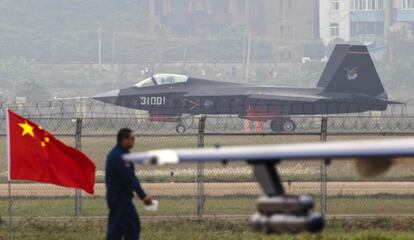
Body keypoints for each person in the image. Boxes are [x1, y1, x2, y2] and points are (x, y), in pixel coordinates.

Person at [105, 128, 153, 240]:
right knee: (117, 230)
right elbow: (130, 178)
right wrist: (143, 196)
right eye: (131, 139)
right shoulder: (120, 157)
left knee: (132, 226)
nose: (133, 141)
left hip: (122, 197)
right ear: (123, 140)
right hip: (119, 198)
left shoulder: (120, 154)